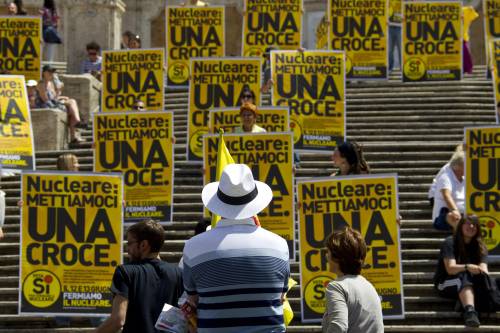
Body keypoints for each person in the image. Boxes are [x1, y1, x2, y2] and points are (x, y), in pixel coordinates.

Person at [182, 164, 290, 332]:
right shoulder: (280, 245)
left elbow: (193, 299)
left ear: (218, 203)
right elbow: (281, 297)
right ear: (255, 202)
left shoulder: (193, 247)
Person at [95, 220, 183, 333]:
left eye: (129, 243)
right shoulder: (178, 273)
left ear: (143, 245)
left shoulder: (125, 271)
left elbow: (118, 320)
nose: (128, 250)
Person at [323, 227, 384, 333]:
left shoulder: (336, 287)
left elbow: (338, 327)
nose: (326, 256)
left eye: (328, 252)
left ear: (337, 257)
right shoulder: (368, 285)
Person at [434, 215, 489, 327]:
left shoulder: (481, 246)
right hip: (444, 282)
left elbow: (484, 270)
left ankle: (465, 301)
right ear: (460, 226)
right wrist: (468, 267)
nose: (471, 226)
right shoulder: (450, 242)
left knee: (488, 280)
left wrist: (481, 271)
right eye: (467, 223)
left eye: (474, 224)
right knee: (463, 276)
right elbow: (450, 269)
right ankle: (470, 312)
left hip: (468, 281)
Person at [36, 65, 83, 144]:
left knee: (71, 102)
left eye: (53, 72)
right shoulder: (41, 84)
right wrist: (59, 101)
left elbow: (55, 97)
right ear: (44, 73)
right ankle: (77, 124)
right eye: (49, 72)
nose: (52, 74)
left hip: (53, 103)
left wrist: (59, 92)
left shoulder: (51, 83)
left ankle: (74, 134)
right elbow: (45, 100)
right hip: (46, 105)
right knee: (71, 104)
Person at [432, 149, 464, 231]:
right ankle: (459, 237)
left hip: (464, 214)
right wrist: (455, 210)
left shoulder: (465, 178)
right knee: (452, 216)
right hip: (443, 216)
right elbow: (446, 195)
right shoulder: (446, 176)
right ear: (459, 166)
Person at [463, 6, 479, 74]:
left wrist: (470, 9)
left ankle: (466, 69)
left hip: (462, 37)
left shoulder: (465, 11)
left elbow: (475, 15)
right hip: (450, 37)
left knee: (465, 53)